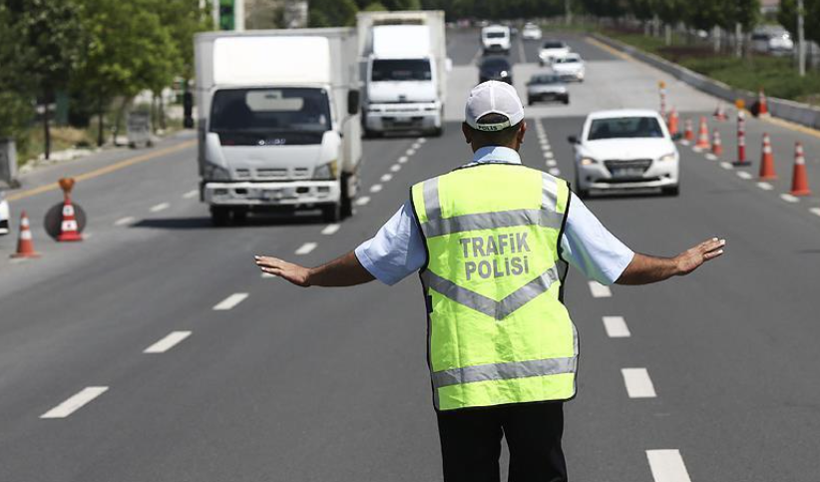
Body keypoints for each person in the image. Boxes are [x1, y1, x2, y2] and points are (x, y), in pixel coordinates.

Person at [255, 81, 726, 482]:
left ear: (466, 134)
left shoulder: (432, 198)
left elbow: (374, 261)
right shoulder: (551, 194)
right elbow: (616, 266)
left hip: (464, 376)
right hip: (539, 378)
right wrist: (676, 263)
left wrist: (310, 275)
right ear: (522, 131)